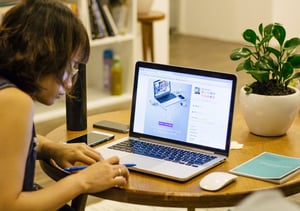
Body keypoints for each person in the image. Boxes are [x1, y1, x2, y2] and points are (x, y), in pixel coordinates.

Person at [0, 0, 129, 210]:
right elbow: (8, 205)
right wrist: (83, 181)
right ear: (43, 55)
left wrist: (53, 148)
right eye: (69, 66)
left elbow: (6, 141)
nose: (69, 83)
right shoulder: (15, 101)